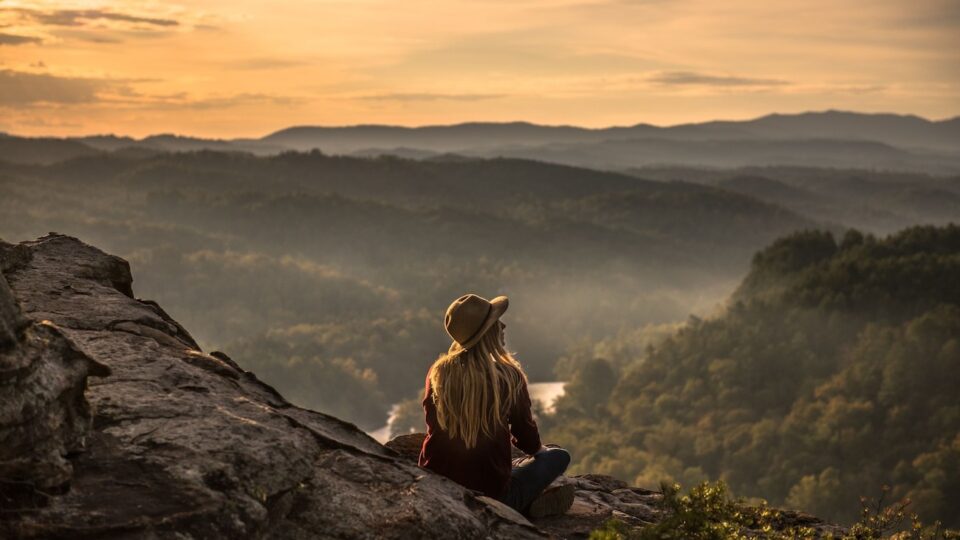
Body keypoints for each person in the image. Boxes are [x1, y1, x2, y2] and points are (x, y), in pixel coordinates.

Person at [418, 293, 574, 518]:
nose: (503, 325)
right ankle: (527, 507)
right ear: (487, 333)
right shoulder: (508, 376)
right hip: (491, 497)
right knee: (558, 455)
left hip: (437, 486)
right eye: (496, 322)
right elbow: (526, 437)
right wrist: (540, 452)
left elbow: (432, 423)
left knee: (521, 461)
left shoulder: (438, 373)